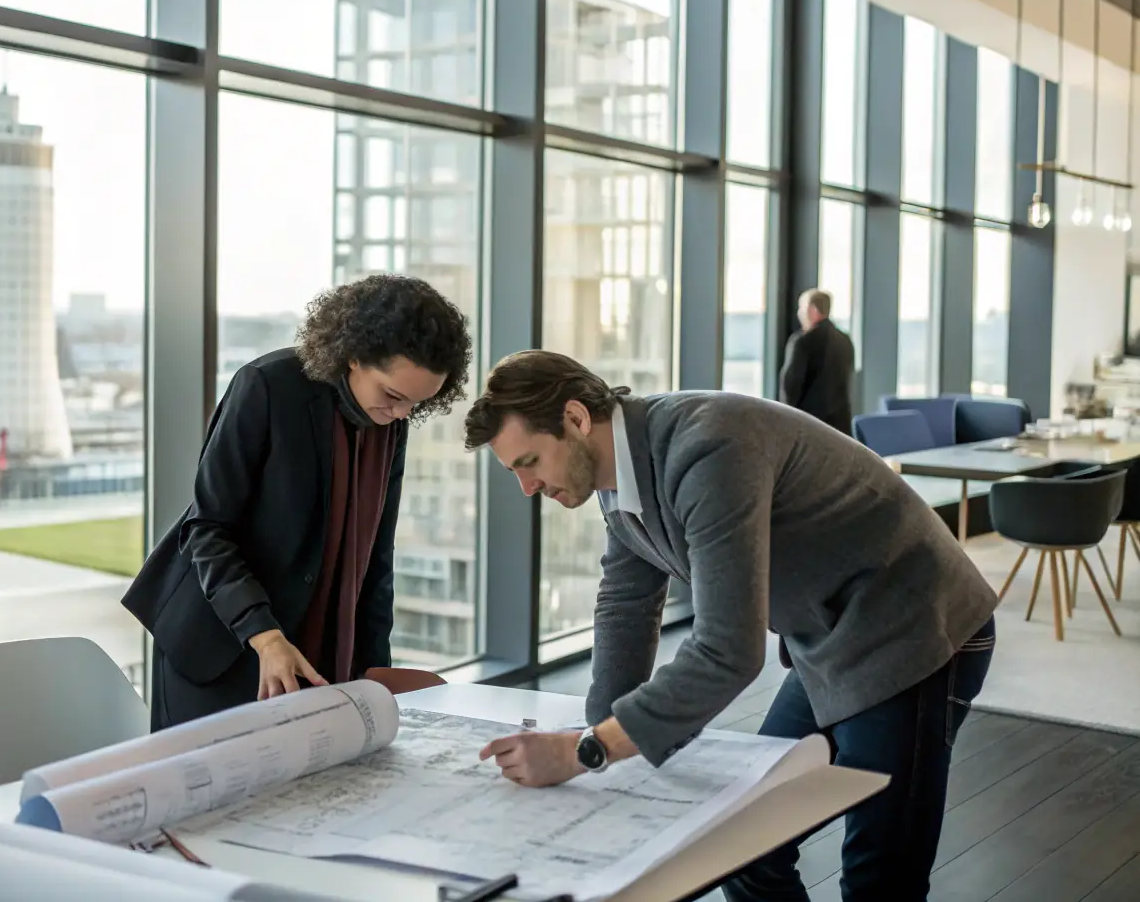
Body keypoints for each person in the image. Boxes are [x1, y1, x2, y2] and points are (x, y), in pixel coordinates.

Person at [462, 350, 997, 902]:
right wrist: (600, 734)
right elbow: (625, 603)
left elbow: (728, 649)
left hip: (916, 627)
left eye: (529, 462)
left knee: (880, 878)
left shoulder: (706, 447)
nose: (527, 488)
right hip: (829, 638)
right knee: (745, 846)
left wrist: (586, 751)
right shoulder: (615, 477)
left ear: (575, 419)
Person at [123, 274, 472, 731]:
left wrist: (372, 676)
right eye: (393, 395)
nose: (403, 414)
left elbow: (374, 558)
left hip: (315, 655)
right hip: (223, 646)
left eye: (417, 403)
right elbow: (207, 528)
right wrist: (266, 638)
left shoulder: (390, 420)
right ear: (353, 354)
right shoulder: (266, 387)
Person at [779, 289, 855, 435]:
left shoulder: (802, 342)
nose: (799, 313)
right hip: (841, 429)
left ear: (812, 310)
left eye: (801, 308)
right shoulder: (845, 341)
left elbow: (790, 387)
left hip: (808, 427)